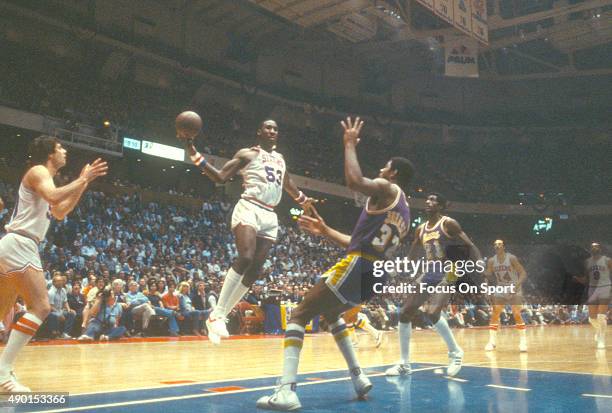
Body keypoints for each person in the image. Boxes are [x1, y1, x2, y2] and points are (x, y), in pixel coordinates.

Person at [257, 117, 413, 410]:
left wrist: (350, 143)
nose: (380, 169)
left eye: (385, 167)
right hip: (378, 273)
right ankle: (358, 376)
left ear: (393, 173)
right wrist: (325, 230)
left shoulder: (387, 188)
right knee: (331, 313)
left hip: (361, 265)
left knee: (300, 313)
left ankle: (287, 391)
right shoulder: (404, 209)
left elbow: (354, 181)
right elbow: (356, 241)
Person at [182, 119, 314, 344]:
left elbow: (288, 184)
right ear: (259, 131)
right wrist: (194, 153)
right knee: (246, 257)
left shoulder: (280, 159)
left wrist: (303, 200)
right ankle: (218, 314)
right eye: (268, 127)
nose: (272, 131)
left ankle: (218, 315)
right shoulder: (247, 154)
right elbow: (220, 177)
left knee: (255, 270)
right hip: (250, 206)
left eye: (275, 128)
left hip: (270, 214)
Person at [0, 136, 107, 392]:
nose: (64, 150)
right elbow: (53, 195)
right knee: (41, 307)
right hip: (20, 243)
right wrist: (82, 179)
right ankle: (3, 373)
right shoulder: (38, 171)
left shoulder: (46, 179)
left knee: (2, 310)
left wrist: (85, 182)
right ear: (49, 153)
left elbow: (60, 211)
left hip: (13, 245)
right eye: (60, 147)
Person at [385, 193, 482, 378]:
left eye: (434, 200)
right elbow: (414, 251)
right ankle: (404, 364)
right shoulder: (420, 229)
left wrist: (479, 267)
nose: (428, 202)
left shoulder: (448, 224)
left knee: (432, 312)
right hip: (430, 270)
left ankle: (455, 352)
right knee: (405, 312)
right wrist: (401, 267)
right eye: (427, 200)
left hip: (450, 269)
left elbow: (469, 245)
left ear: (441, 206)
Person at [484, 240, 528, 352]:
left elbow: (523, 273)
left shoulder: (511, 258)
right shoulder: (491, 261)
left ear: (504, 246)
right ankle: (492, 342)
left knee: (516, 314)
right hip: (501, 288)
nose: (497, 246)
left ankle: (523, 342)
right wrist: (482, 270)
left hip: (514, 287)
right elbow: (488, 275)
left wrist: (516, 285)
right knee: (495, 313)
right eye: (495, 244)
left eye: (499, 244)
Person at [574, 242, 611, 349]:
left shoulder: (607, 260)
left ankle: (601, 339)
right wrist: (578, 279)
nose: (595, 247)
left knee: (601, 316)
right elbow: (587, 279)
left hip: (605, 287)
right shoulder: (587, 262)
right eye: (593, 246)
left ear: (600, 248)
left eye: (597, 246)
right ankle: (599, 330)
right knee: (592, 319)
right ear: (591, 249)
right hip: (592, 289)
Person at [46, 273, 76, 339]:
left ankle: (65, 333)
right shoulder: (51, 292)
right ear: (54, 282)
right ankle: (54, 334)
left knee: (72, 313)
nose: (61, 282)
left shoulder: (63, 290)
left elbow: (65, 302)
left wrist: (69, 309)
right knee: (56, 315)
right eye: (59, 281)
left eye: (62, 281)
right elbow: (50, 307)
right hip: (51, 312)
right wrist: (59, 313)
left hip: (60, 310)